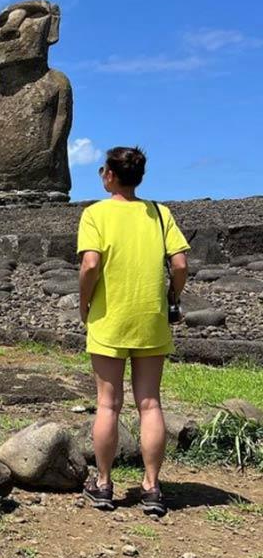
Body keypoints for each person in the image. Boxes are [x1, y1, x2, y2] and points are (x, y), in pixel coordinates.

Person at [77, 146, 189, 515]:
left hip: (110, 318)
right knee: (150, 402)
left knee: (108, 403)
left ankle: (105, 483)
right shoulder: (160, 213)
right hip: (151, 317)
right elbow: (180, 263)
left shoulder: (95, 214)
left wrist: (84, 303)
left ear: (109, 175)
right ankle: (152, 487)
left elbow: (90, 265)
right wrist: (172, 294)